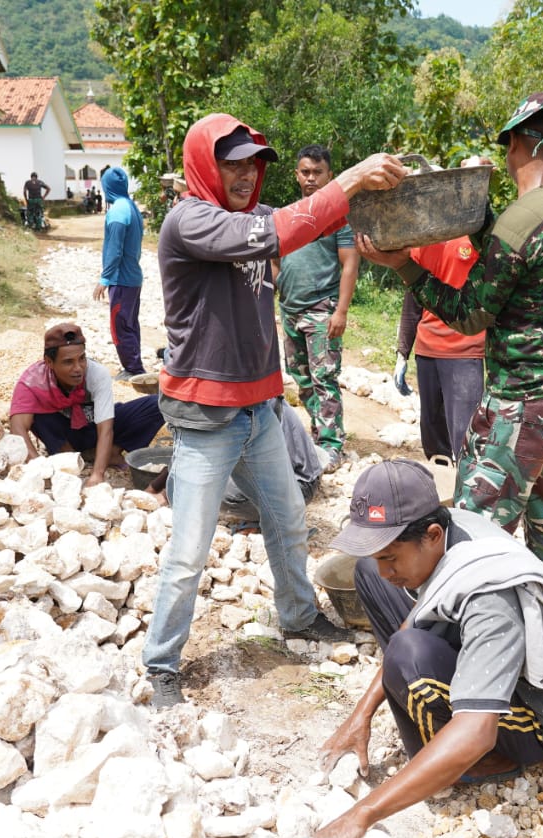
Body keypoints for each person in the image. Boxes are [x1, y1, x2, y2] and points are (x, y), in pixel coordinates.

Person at [142, 112, 406, 707]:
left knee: (289, 519)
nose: (243, 173)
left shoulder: (258, 217)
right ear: (206, 165)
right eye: (230, 161)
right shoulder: (190, 221)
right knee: (188, 552)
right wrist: (354, 177)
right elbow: (280, 232)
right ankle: (161, 662)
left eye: (252, 162)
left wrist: (385, 197)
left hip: (259, 409)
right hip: (206, 418)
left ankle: (296, 613)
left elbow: (310, 222)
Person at [356, 92, 543, 659]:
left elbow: (470, 311)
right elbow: (528, 268)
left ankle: (444, 632)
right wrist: (483, 226)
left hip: (529, 404)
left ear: (520, 143)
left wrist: (403, 266)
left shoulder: (521, 221)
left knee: (472, 524)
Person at [312, 460, 543, 838]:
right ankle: (437, 736)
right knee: (369, 578)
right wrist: (362, 715)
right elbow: (413, 620)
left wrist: (363, 814)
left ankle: (473, 768)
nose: (386, 568)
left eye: (390, 555)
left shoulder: (489, 596)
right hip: (490, 652)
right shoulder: (447, 531)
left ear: (432, 535)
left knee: (408, 656)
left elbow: (477, 731)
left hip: (540, 719)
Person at [272, 145, 360, 470]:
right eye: (305, 172)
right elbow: (275, 260)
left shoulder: (338, 219)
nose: (311, 178)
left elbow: (350, 264)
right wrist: (278, 290)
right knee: (301, 377)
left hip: (322, 310)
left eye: (317, 172)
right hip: (290, 310)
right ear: (297, 174)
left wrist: (342, 312)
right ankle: (317, 434)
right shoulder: (289, 214)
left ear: (329, 175)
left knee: (325, 378)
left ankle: (332, 446)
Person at [9, 323, 165, 488]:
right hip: (64, 435)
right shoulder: (32, 382)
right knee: (36, 414)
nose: (78, 368)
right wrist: (38, 469)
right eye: (68, 362)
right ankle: (69, 458)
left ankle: (110, 452)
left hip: (92, 427)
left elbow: (105, 429)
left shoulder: (97, 374)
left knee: (156, 404)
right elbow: (17, 428)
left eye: (81, 358)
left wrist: (97, 474)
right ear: (49, 362)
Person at [145, 399, 324, 525]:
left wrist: (164, 496)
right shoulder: (232, 391)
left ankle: (271, 519)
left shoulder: (233, 404)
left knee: (215, 491)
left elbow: (197, 455)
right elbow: (189, 449)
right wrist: (154, 488)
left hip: (298, 484)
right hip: (295, 475)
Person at [394, 235, 485, 463]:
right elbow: (412, 300)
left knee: (466, 433)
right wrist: (402, 351)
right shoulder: (423, 242)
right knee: (432, 433)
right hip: (427, 350)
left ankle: (469, 490)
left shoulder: (477, 239)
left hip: (465, 350)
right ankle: (441, 487)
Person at [92, 166, 146, 380]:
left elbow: (115, 249)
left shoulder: (117, 212)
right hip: (133, 277)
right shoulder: (131, 207)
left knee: (120, 325)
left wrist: (104, 278)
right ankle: (135, 364)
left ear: (107, 187)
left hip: (121, 280)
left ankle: (133, 369)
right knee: (130, 323)